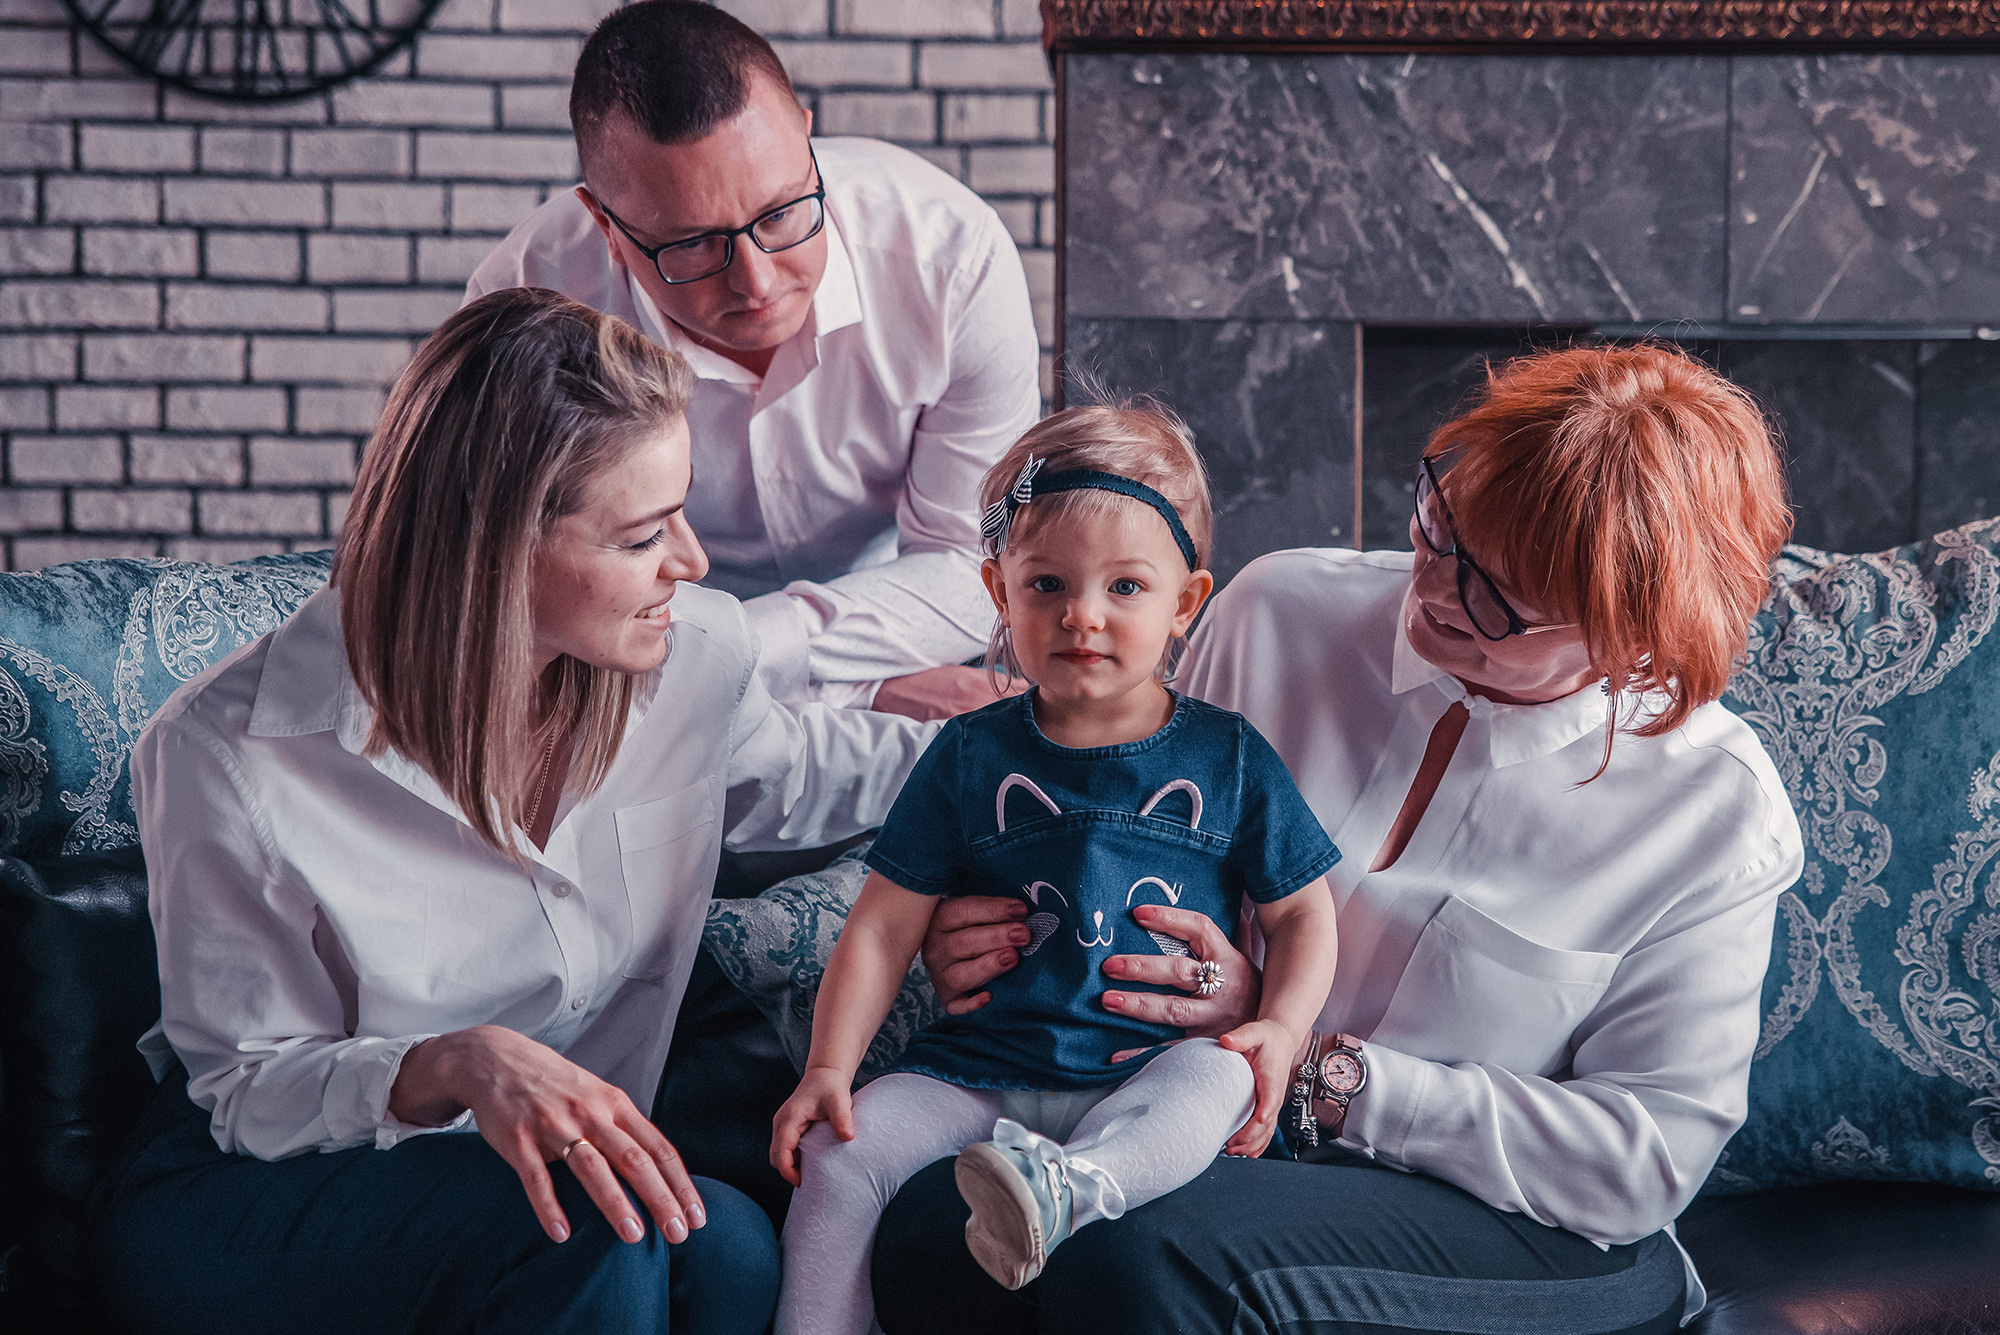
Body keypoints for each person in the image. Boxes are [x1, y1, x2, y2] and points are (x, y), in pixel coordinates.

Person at [880, 343, 1807, 1335]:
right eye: (1441, 531)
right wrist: (989, 930)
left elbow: (1639, 1161)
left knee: (1135, 1258)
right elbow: (1105, 839)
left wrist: (1321, 1070)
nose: (1438, 592)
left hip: (1534, 1229)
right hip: (1201, 1128)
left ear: (1632, 635)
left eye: (1500, 599)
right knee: (935, 1216)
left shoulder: (1712, 812)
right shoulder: (1282, 613)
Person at [94, 287, 938, 1335]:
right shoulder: (227, 753)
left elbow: (821, 776)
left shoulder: (689, 661)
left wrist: (1065, 758)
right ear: (495, 551)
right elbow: (247, 1088)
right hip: (261, 1191)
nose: (692, 561)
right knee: (593, 1234)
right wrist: (451, 1061)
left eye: (680, 510)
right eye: (640, 536)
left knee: (726, 1247)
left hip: (551, 1186)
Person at [767, 405, 1342, 1335]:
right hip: (981, 1070)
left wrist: (1279, 1025)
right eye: (1048, 583)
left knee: (1220, 1082)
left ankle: (1071, 1189)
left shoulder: (1229, 757)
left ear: (1185, 602)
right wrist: (828, 1067)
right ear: (1000, 591)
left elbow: (1305, 915)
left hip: (1144, 1069)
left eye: (1125, 586)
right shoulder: (966, 754)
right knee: (842, 1156)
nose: (1083, 613)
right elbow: (881, 922)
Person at [467, 1, 1042, 721]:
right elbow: (518, 579)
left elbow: (972, 567)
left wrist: (778, 664)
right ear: (605, 226)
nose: (757, 282)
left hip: (897, 636)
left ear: (806, 137)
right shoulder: (523, 302)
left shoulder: (956, 263)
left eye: (780, 213)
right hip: (625, 682)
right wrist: (855, 690)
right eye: (694, 245)